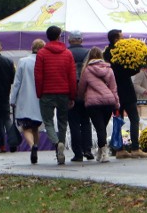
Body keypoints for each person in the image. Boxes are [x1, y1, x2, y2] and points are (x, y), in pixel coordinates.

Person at [35, 26, 76, 165]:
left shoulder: (41, 54)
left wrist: (39, 92)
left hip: (47, 92)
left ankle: (56, 142)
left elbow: (38, 76)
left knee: (48, 121)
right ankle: (62, 145)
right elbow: (72, 76)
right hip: (64, 92)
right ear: (59, 36)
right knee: (63, 121)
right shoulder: (67, 54)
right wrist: (72, 95)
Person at [103, 29, 147, 158]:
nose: (124, 39)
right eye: (121, 37)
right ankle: (135, 148)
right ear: (116, 39)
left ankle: (120, 149)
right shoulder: (121, 53)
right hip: (126, 92)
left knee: (118, 120)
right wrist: (137, 67)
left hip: (114, 93)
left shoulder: (107, 53)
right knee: (134, 119)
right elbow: (124, 72)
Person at [78, 47, 119, 163]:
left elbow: (81, 87)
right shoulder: (109, 69)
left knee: (100, 128)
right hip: (108, 102)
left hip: (93, 103)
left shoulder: (87, 70)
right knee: (102, 128)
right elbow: (114, 88)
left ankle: (104, 153)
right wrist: (116, 104)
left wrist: (81, 97)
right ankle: (101, 151)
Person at [10, 39, 45, 164]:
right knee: (36, 127)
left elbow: (17, 82)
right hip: (39, 99)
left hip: (25, 99)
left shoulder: (23, 62)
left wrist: (12, 99)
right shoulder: (44, 62)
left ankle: (32, 146)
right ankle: (36, 144)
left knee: (26, 127)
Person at [66, 31, 93, 161]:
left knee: (74, 123)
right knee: (86, 121)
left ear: (70, 40)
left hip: (70, 91)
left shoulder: (66, 53)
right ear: (81, 40)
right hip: (86, 91)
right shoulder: (88, 53)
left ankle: (77, 153)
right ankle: (87, 148)